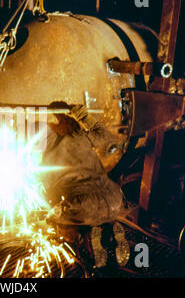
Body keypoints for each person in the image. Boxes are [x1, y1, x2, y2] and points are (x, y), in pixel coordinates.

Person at [42, 102, 130, 269]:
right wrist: (82, 115)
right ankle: (106, 232)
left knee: (56, 217)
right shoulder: (81, 137)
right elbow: (105, 136)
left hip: (92, 204)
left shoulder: (48, 153)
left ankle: (89, 238)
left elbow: (49, 189)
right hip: (113, 197)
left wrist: (52, 213)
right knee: (89, 213)